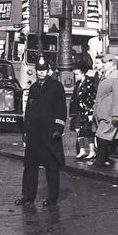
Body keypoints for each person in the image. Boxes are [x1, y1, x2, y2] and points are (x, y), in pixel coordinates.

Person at [16, 58, 66, 208]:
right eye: (39, 69)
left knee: (51, 167)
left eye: (44, 69)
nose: (41, 72)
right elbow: (29, 111)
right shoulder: (33, 88)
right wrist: (25, 131)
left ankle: (52, 198)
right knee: (30, 165)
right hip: (34, 134)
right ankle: (28, 195)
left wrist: (58, 129)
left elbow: (62, 110)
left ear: (48, 70)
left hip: (49, 134)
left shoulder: (57, 87)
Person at [93, 58, 118, 166]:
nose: (103, 64)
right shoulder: (105, 75)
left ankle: (100, 161)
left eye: (105, 62)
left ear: (111, 63)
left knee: (101, 135)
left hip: (108, 113)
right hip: (102, 111)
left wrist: (116, 114)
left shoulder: (115, 76)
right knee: (113, 137)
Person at [69, 65, 97, 160]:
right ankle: (82, 150)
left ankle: (92, 151)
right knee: (78, 130)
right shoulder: (78, 84)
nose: (75, 76)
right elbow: (74, 98)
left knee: (88, 132)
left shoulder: (89, 83)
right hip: (78, 110)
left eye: (77, 74)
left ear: (83, 73)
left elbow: (92, 98)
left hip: (85, 111)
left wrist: (90, 113)